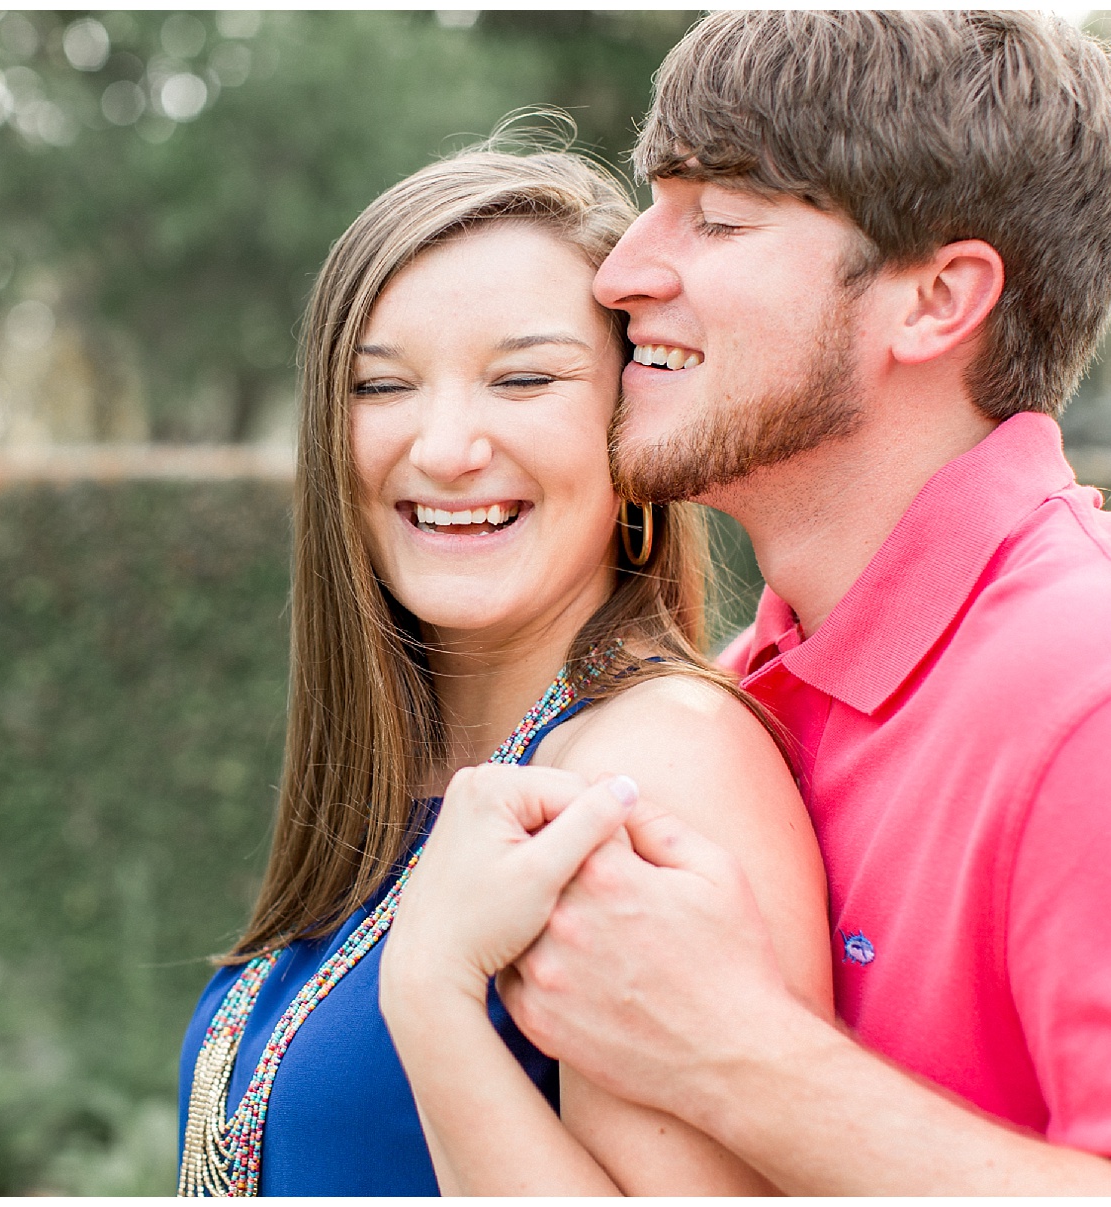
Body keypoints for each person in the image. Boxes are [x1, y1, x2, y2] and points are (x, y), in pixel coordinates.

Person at [406, 10, 1111, 1197]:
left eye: (720, 218)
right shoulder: (750, 680)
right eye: (656, 201)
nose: (623, 271)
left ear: (935, 301)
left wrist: (736, 1053)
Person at [174, 141, 831, 1196]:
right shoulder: (413, 772)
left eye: (524, 378)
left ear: (633, 426)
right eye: (380, 385)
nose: (444, 445)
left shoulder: (654, 765)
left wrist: (432, 999)